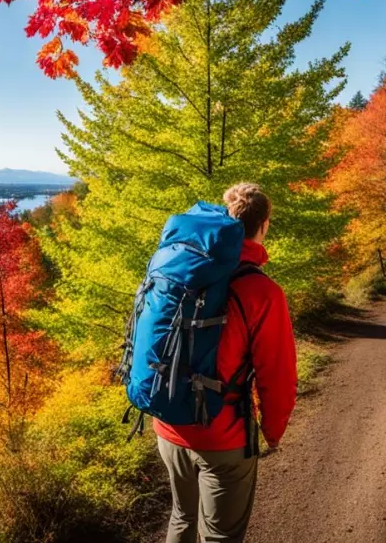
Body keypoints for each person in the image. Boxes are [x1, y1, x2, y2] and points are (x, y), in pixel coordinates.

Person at [153, 183, 298, 543]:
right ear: (264, 224)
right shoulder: (262, 291)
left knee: (181, 517)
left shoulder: (183, 269)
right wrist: (272, 432)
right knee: (220, 536)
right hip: (223, 436)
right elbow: (277, 374)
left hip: (168, 423)